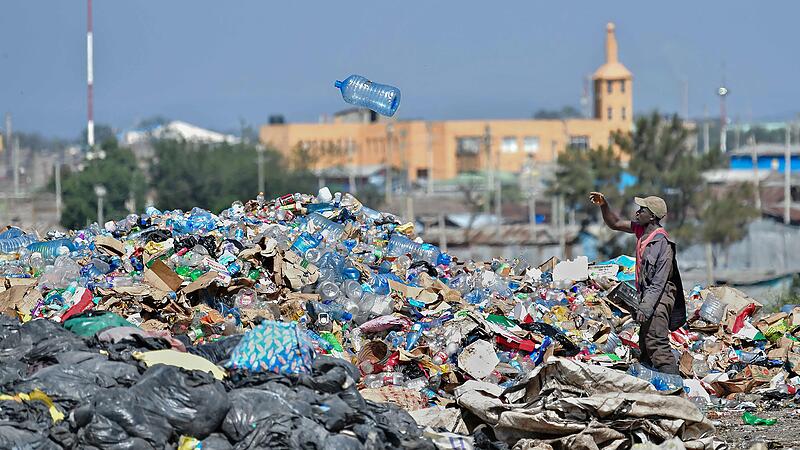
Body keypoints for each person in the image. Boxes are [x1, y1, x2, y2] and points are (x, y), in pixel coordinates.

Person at [589, 192, 686, 375]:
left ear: (652, 216)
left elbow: (659, 281)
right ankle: (653, 385)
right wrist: (604, 204)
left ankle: (675, 388)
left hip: (660, 299)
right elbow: (615, 223)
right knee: (645, 345)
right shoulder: (641, 231)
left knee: (657, 344)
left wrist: (645, 308)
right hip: (649, 297)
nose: (637, 212)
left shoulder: (662, 244)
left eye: (642, 210)